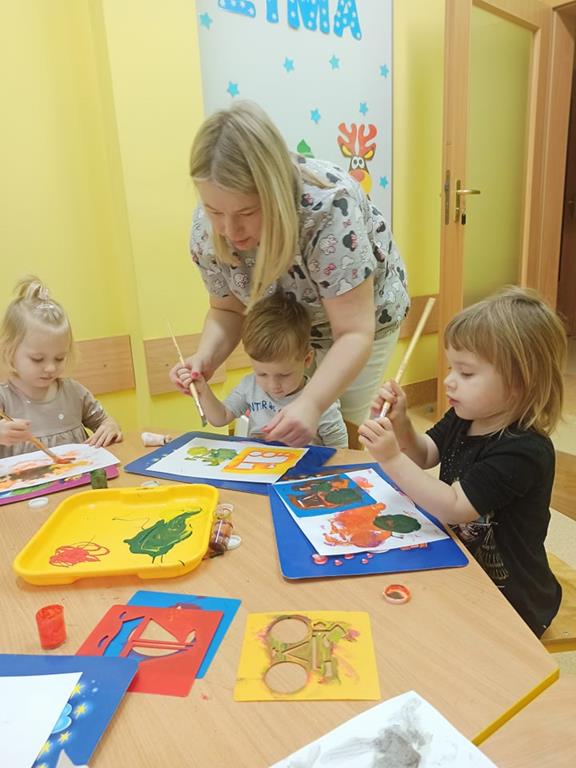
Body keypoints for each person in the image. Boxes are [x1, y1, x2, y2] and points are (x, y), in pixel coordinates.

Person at [170, 100, 409, 447]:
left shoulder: (328, 209)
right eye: (214, 211)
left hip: (355, 326)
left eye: (246, 212)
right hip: (286, 327)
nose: (230, 230)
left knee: (337, 429)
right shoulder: (207, 230)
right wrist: (205, 359)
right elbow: (227, 310)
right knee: (288, 427)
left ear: (275, 193)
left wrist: (312, 403)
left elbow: (354, 332)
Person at [358, 286, 566, 637]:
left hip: (512, 600)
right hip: (460, 561)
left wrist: (391, 458)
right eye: (451, 367)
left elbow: (454, 507)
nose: (450, 382)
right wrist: (402, 422)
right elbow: (425, 454)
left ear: (520, 381)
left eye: (466, 373)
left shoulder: (523, 451)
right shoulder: (464, 415)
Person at [177, 292, 348, 448]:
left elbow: (341, 449)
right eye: (262, 374)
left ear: (307, 360)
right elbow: (220, 418)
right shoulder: (250, 386)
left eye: (283, 375)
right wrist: (202, 390)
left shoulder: (321, 400)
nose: (273, 385)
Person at [0, 277, 122, 458]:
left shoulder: (74, 393)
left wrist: (110, 426)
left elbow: (104, 421)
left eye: (59, 358)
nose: (50, 368)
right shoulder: (4, 397)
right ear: (9, 351)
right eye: (37, 359)